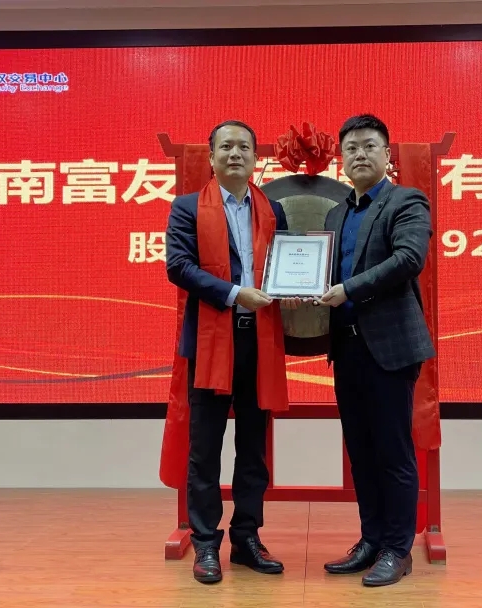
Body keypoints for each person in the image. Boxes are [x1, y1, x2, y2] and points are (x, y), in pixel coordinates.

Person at [165, 119, 301, 584]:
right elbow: (179, 267)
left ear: (255, 157)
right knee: (204, 450)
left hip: (258, 342)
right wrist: (233, 293)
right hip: (210, 342)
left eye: (244, 146)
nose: (235, 154)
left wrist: (293, 287)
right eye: (226, 146)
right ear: (211, 157)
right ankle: (206, 543)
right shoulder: (187, 207)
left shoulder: (272, 209)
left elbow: (285, 265)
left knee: (253, 450)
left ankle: (246, 538)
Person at [317, 114, 436, 586]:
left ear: (387, 154)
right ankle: (370, 540)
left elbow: (409, 259)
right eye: (351, 148)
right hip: (346, 348)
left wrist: (348, 289)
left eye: (369, 146)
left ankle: (397, 549)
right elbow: (323, 274)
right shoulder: (336, 214)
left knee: (393, 452)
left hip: (389, 348)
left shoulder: (406, 201)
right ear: (341, 159)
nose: (360, 154)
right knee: (361, 453)